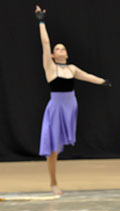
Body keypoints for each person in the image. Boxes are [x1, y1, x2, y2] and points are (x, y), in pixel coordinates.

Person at [35, 5, 111, 195]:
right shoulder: (50, 67)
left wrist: (103, 81)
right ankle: (53, 182)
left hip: (70, 108)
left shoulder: (72, 69)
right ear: (52, 55)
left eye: (63, 48)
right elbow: (45, 43)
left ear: (66, 54)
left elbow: (87, 76)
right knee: (52, 149)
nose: (60, 50)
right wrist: (41, 21)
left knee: (58, 148)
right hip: (56, 109)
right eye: (56, 48)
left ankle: (54, 181)